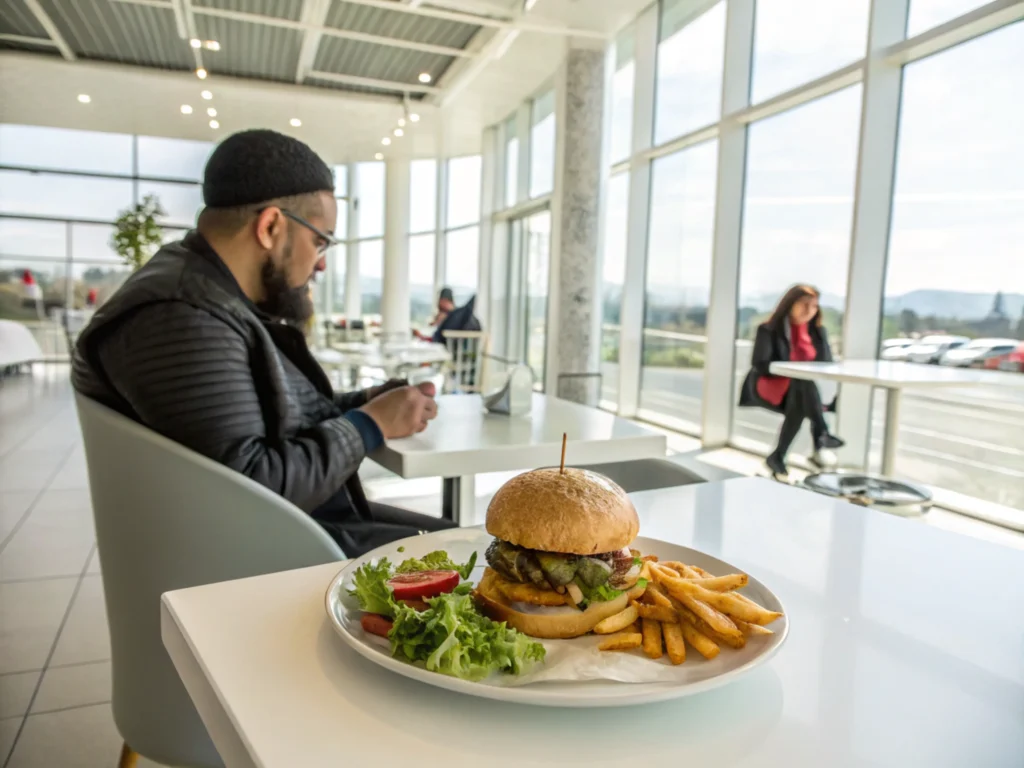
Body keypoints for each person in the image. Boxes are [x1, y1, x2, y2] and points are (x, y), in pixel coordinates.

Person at [72, 129, 454, 557]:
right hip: (264, 555)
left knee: (470, 541)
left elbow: (263, 429)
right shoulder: (180, 315)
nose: (322, 262)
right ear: (271, 226)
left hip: (287, 531)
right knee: (480, 557)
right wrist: (371, 424)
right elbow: (257, 486)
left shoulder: (207, 298)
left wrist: (365, 403)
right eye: (320, 240)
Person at [738, 284, 844, 477]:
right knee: (802, 382)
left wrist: (819, 340)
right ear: (790, 304)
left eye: (814, 306)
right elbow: (760, 365)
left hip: (799, 391)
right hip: (770, 385)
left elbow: (825, 364)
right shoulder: (769, 329)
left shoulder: (817, 332)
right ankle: (821, 434)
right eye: (804, 304)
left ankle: (778, 457)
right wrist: (790, 370)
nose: (809, 310)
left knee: (800, 398)